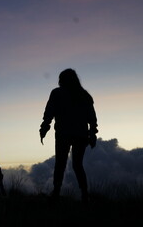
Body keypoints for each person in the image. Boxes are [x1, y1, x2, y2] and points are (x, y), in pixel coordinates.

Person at [39, 68, 98, 203]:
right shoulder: (84, 95)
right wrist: (92, 134)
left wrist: (44, 128)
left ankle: (56, 193)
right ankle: (84, 195)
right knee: (78, 165)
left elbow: (49, 113)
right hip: (81, 135)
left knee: (60, 164)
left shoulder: (57, 93)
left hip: (63, 134)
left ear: (62, 80)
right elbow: (92, 118)